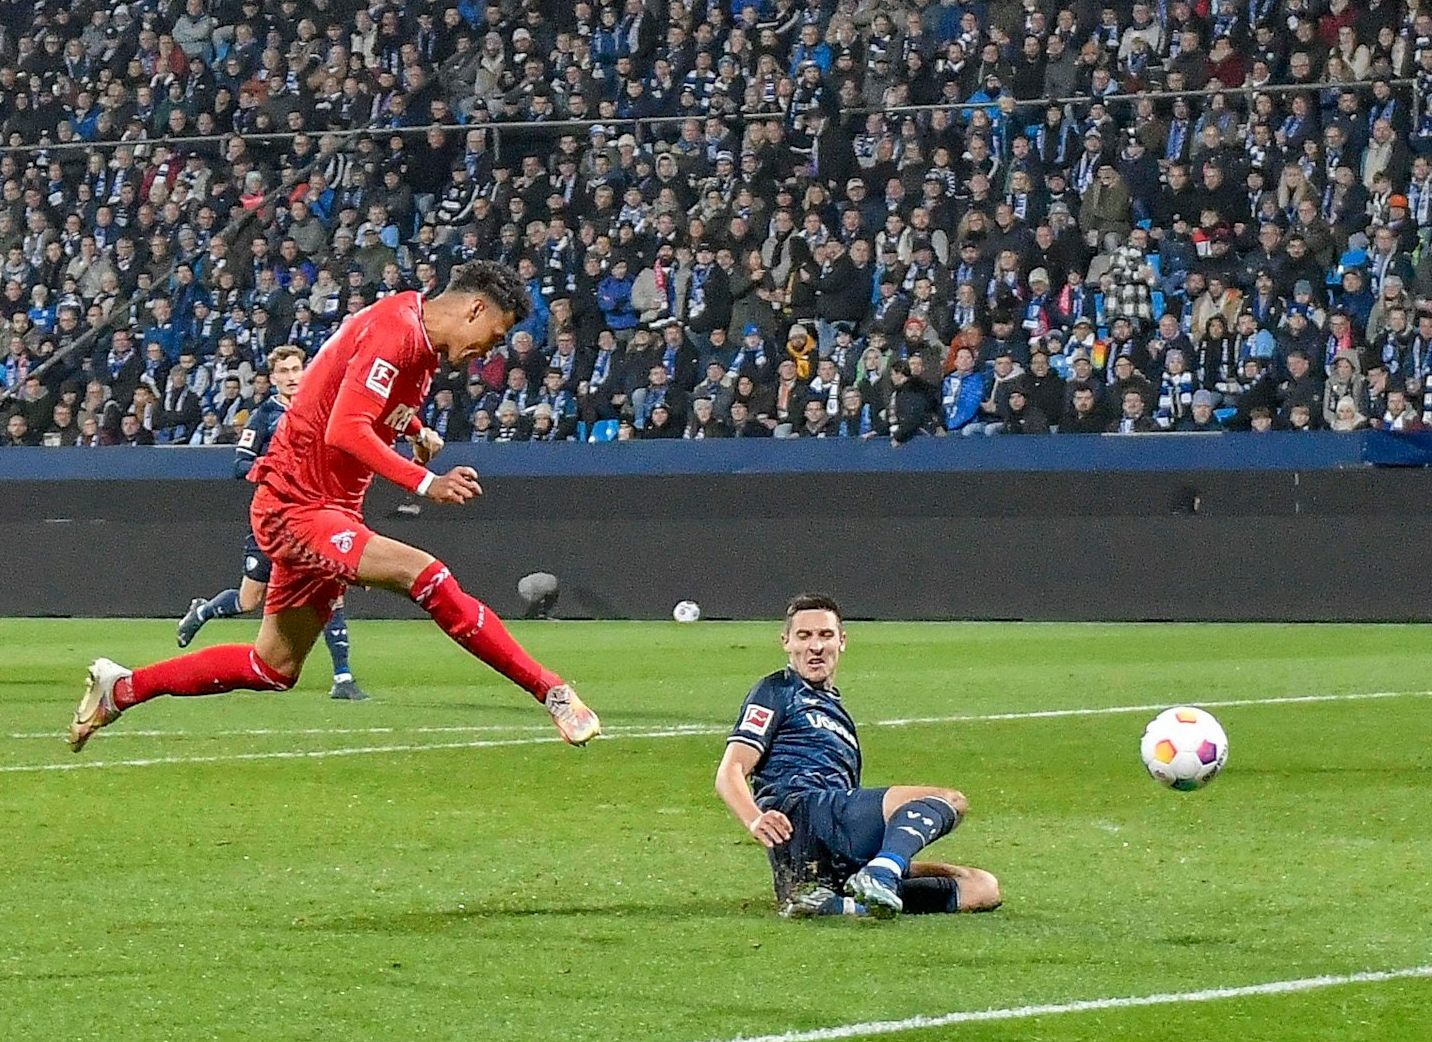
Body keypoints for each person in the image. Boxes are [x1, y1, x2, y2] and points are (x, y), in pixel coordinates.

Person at [68, 262, 600, 750]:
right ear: (475, 309)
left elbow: (354, 391)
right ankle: (550, 690)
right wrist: (424, 482)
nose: (491, 350)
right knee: (427, 576)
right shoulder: (397, 331)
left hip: (327, 508)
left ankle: (123, 689)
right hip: (296, 507)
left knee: (272, 667)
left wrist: (414, 429)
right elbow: (344, 428)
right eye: (495, 336)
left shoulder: (418, 340)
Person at [713, 594, 1001, 919]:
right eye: (804, 636)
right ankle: (882, 873)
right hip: (805, 814)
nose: (815, 647)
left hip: (828, 852)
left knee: (982, 886)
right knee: (948, 799)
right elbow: (730, 770)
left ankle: (842, 904)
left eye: (825, 635)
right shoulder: (776, 691)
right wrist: (754, 818)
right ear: (786, 643)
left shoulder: (837, 713)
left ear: (842, 641)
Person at [174, 345, 368, 701]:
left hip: (316, 514)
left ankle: (343, 677)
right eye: (285, 371)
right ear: (274, 377)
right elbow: (240, 465)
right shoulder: (264, 415)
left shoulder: (324, 406)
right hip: (275, 518)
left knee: (329, 591)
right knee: (249, 600)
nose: (293, 377)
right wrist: (277, 471)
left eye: (297, 369)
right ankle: (202, 611)